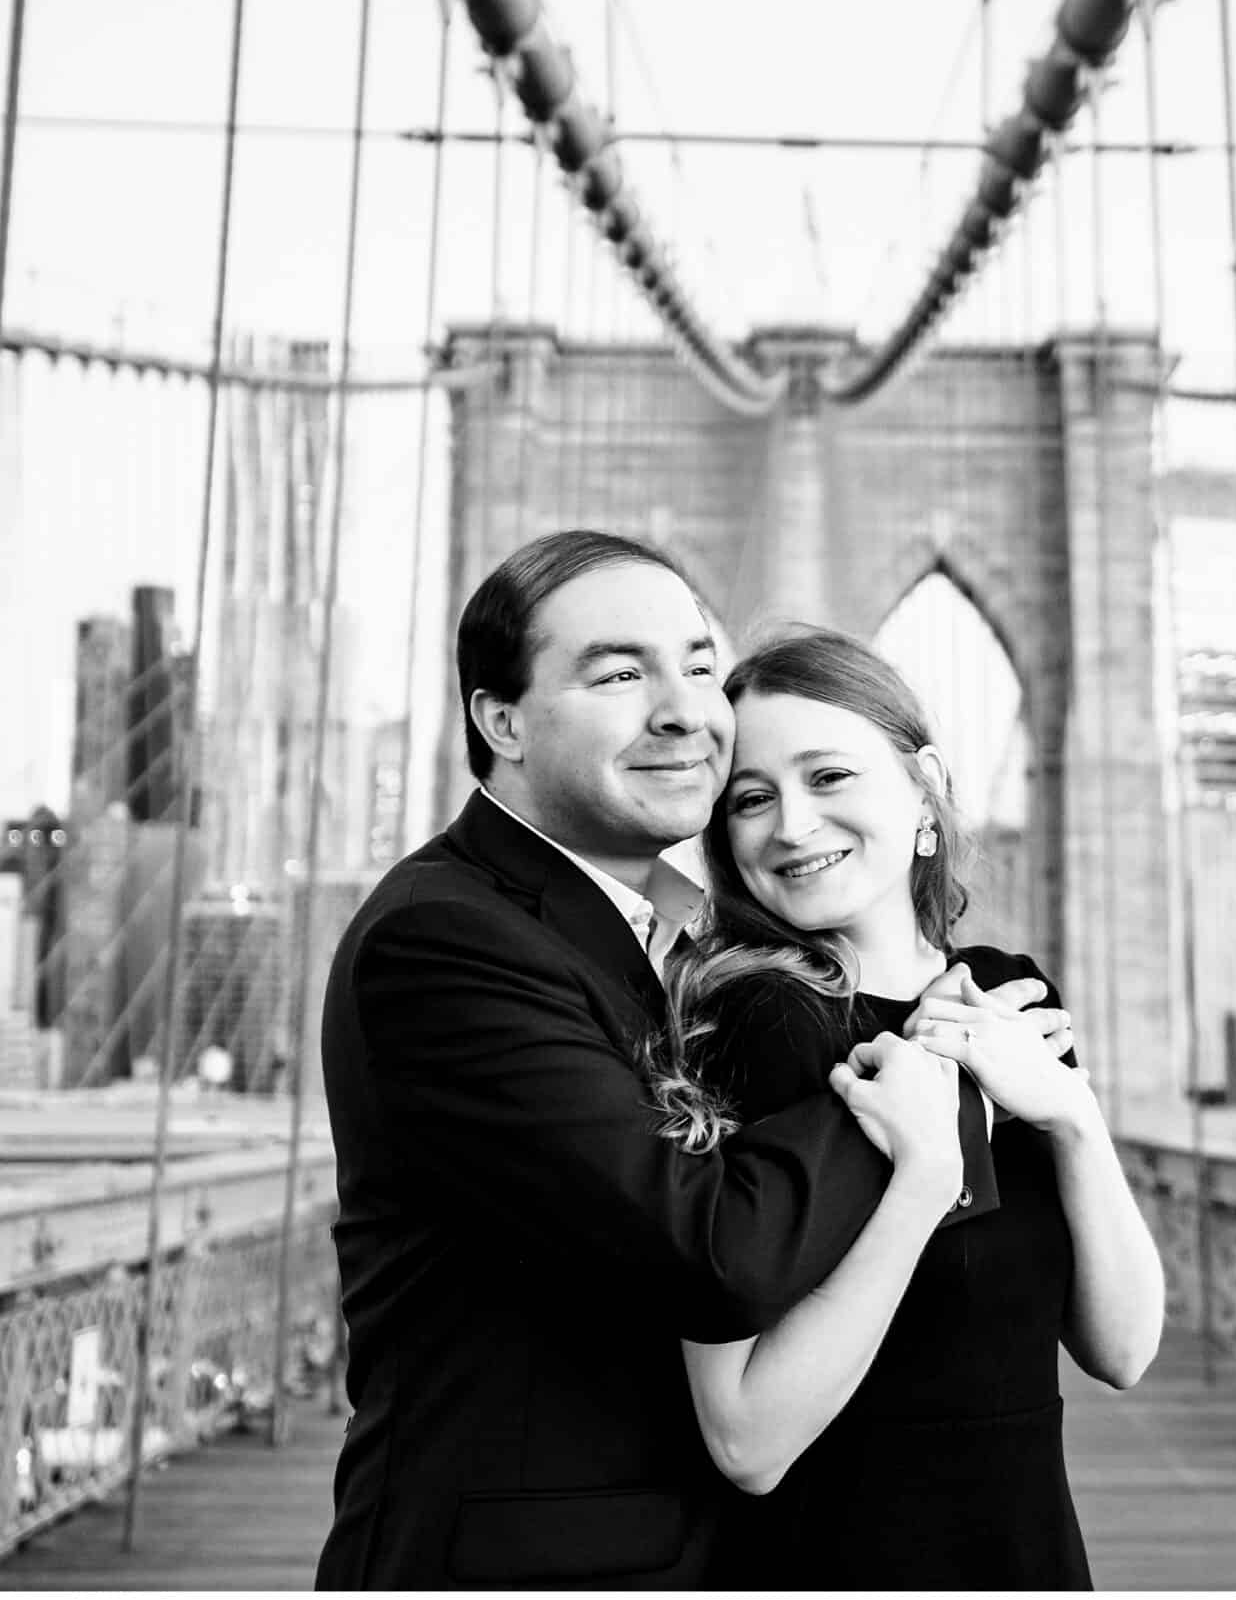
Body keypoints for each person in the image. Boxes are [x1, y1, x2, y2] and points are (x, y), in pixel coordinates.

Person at [314, 532, 1061, 1589]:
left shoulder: (662, 938)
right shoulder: (446, 938)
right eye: (620, 674)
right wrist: (943, 1074)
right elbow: (704, 1253)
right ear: (502, 721)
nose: (685, 710)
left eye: (699, 666)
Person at [634, 626, 1166, 1590]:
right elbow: (745, 1437)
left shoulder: (1009, 997)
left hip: (1027, 1556)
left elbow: (1121, 1350)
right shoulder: (751, 1020)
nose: (791, 824)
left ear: (923, 787)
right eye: (751, 798)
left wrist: (1072, 1117)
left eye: (829, 775)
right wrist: (929, 1166)